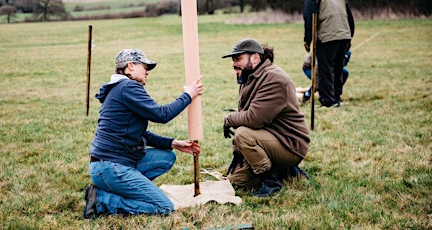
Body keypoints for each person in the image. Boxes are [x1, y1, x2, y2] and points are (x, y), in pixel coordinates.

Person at [84, 48, 203, 218]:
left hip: (108, 164)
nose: (147, 71)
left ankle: (122, 189)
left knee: (167, 157)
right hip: (111, 166)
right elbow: (161, 115)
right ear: (130, 66)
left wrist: (173, 143)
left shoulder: (119, 88)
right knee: (164, 207)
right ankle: (102, 200)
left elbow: (141, 133)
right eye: (144, 66)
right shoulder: (128, 87)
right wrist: (188, 95)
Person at [221, 38, 310, 197]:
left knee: (242, 135)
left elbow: (254, 119)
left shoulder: (274, 79)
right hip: (269, 138)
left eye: (238, 59)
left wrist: (229, 120)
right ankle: (286, 171)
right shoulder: (250, 76)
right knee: (235, 182)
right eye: (233, 60)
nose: (234, 64)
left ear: (255, 58)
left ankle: (271, 181)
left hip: (289, 144)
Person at [303, 0, 355, 107]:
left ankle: (328, 101)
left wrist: (308, 40)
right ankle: (336, 98)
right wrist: (348, 38)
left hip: (327, 36)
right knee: (338, 69)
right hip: (344, 36)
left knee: (325, 70)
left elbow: (310, 17)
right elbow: (350, 18)